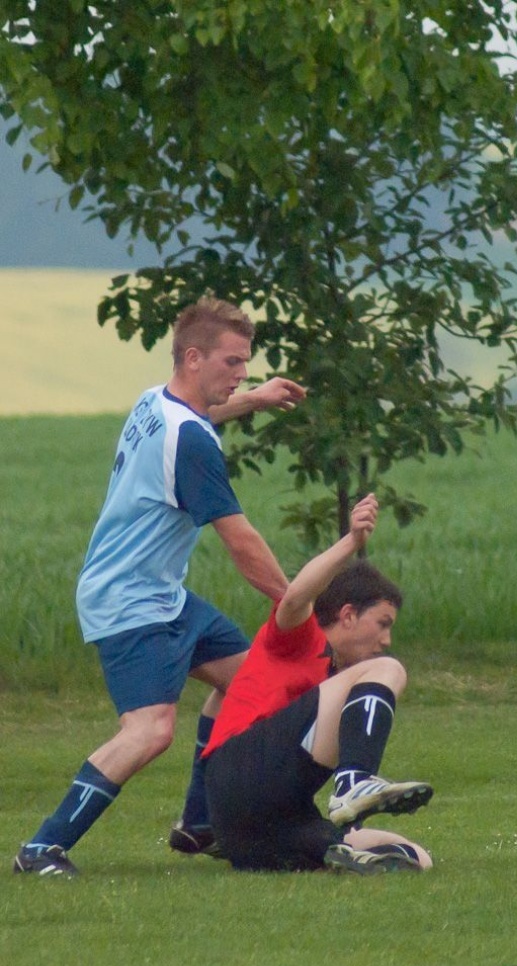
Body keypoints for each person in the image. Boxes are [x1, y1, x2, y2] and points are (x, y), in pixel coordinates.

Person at [13, 297, 305, 877]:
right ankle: (42, 848)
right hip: (128, 601)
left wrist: (256, 398)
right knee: (149, 731)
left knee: (248, 683)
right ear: (193, 358)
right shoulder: (191, 443)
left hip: (162, 595)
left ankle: (199, 824)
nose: (241, 372)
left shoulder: (158, 401)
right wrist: (295, 600)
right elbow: (240, 541)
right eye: (233, 362)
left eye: (246, 363)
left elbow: (201, 417)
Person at [202, 493, 433, 875]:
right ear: (346, 615)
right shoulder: (302, 637)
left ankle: (346, 847)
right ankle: (354, 783)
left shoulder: (341, 684)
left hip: (257, 827)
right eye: (382, 623)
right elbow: (295, 597)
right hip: (242, 773)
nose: (386, 639)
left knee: (418, 857)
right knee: (390, 670)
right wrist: (351, 542)